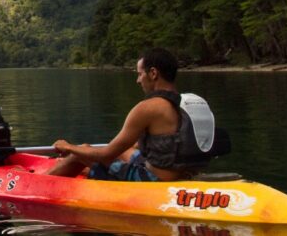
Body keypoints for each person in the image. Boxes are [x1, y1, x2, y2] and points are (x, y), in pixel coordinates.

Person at [46, 47, 215, 182]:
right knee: (121, 151)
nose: (138, 80)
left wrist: (68, 147)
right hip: (180, 172)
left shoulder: (147, 108)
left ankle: (38, 181)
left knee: (79, 151)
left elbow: (105, 155)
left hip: (153, 179)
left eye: (140, 74)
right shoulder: (184, 103)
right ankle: (85, 169)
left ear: (153, 73)